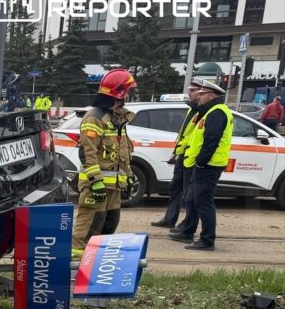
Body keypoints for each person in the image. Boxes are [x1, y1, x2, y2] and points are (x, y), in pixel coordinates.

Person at [72, 68, 137, 258]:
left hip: (113, 188)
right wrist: (95, 181)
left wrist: (129, 176)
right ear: (120, 92)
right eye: (129, 91)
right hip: (96, 186)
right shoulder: (95, 118)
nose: (130, 95)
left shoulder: (118, 118)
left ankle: (96, 264)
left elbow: (122, 152)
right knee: (88, 227)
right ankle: (76, 267)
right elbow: (87, 152)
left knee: (109, 225)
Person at [169, 79, 234, 251]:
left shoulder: (217, 112)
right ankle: (192, 233)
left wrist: (200, 161)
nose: (199, 96)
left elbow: (211, 141)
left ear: (211, 95)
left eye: (202, 94)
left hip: (209, 166)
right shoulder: (210, 111)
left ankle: (207, 240)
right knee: (195, 200)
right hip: (205, 165)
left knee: (204, 203)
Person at [150, 80, 203, 229]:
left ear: (200, 93)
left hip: (191, 156)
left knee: (188, 193)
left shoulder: (202, 112)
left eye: (192, 90)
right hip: (183, 154)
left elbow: (194, 137)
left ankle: (186, 225)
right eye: (189, 90)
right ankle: (170, 219)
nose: (189, 93)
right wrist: (175, 152)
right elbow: (183, 134)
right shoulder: (191, 110)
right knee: (175, 188)